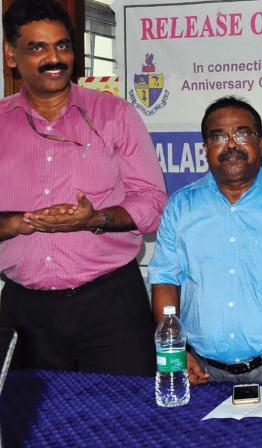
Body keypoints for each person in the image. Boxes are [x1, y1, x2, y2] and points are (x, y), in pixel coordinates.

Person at [0, 0, 167, 375]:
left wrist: (97, 218)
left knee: (124, 423)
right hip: (26, 313)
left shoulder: (114, 115)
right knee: (29, 428)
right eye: (37, 47)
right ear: (11, 55)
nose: (54, 57)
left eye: (62, 45)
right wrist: (20, 223)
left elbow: (153, 203)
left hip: (110, 307)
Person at [148, 97, 262, 393]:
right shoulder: (181, 206)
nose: (231, 144)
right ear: (205, 148)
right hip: (201, 370)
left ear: (261, 143)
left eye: (243, 134)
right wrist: (175, 351)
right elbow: (165, 280)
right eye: (219, 136)